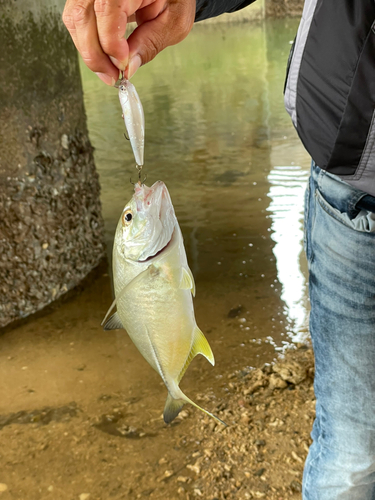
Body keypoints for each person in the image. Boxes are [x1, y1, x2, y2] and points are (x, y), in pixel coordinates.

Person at [62, 1, 375, 498]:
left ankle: (175, 384)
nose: (135, 208)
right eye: (129, 219)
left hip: (353, 175)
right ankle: (174, 382)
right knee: (353, 451)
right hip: (355, 185)